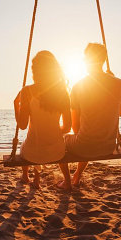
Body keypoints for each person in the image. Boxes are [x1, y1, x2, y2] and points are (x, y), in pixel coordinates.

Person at [58, 43, 121, 191]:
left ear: (86, 61)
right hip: (108, 147)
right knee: (88, 136)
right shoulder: (120, 83)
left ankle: (67, 181)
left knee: (61, 140)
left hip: (85, 146)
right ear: (103, 59)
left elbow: (74, 128)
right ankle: (77, 175)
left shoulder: (78, 86)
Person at [14, 51, 71, 188]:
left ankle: (27, 176)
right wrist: (54, 131)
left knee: (29, 143)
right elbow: (68, 128)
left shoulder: (27, 91)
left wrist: (16, 105)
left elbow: (22, 125)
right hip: (56, 152)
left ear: (35, 70)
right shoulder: (63, 93)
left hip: (32, 153)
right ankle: (66, 180)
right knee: (50, 141)